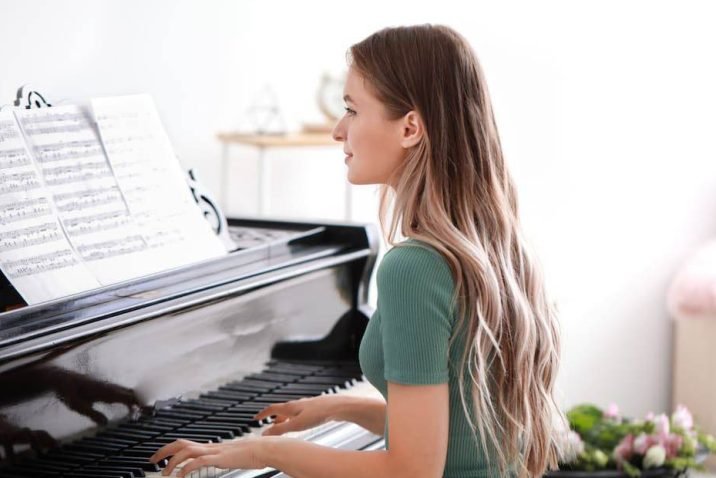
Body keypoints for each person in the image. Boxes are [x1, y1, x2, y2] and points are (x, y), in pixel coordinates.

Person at [151, 23, 565, 478]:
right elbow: (461, 434)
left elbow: (411, 470)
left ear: (410, 127)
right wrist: (342, 407)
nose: (336, 130)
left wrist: (261, 453)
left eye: (351, 109)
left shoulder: (415, 268)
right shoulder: (499, 247)